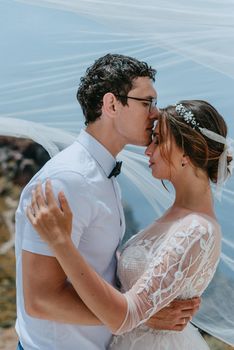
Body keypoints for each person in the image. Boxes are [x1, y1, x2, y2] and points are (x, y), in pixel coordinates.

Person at [15, 54, 199, 350]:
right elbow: (41, 300)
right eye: (146, 102)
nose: (156, 114)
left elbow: (100, 269)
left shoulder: (102, 174)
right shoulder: (68, 180)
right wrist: (139, 316)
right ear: (112, 104)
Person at [27, 100, 233, 349]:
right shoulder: (176, 215)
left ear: (185, 154)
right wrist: (147, 313)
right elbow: (135, 302)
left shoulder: (197, 230)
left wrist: (61, 242)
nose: (148, 150)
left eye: (158, 140)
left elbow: (124, 318)